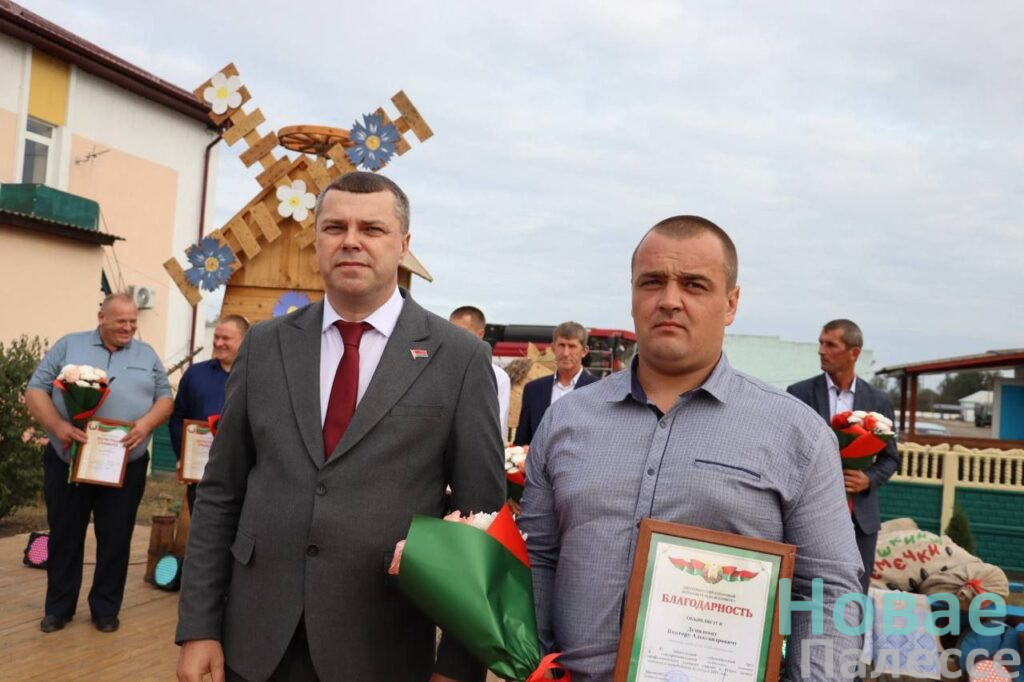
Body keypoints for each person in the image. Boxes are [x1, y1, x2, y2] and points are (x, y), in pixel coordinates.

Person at [175, 172, 505, 682]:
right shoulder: (264, 346)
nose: (351, 241)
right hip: (255, 642)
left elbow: (480, 520)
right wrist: (199, 626)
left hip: (383, 649)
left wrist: (459, 668)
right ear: (316, 242)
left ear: (404, 245)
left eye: (371, 228)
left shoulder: (459, 359)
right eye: (335, 227)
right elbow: (220, 492)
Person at [518, 216, 864, 680]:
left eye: (694, 285)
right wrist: (530, 665)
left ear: (731, 303)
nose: (669, 300)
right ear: (632, 294)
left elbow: (829, 593)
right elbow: (538, 560)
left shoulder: (797, 435)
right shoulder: (566, 421)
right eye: (652, 282)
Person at [24, 293, 173, 634]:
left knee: (116, 538)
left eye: (133, 321)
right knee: (65, 535)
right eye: (121, 321)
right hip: (68, 461)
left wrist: (145, 425)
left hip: (125, 465)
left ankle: (105, 610)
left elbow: (165, 398)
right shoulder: (69, 345)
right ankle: (58, 609)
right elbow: (35, 390)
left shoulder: (147, 354)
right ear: (101, 317)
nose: (129, 327)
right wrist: (58, 427)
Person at [787, 319, 901, 593]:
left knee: (854, 594)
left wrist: (868, 478)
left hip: (860, 520)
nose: (821, 351)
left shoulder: (878, 400)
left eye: (830, 345)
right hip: (809, 515)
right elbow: (787, 452)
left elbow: (891, 458)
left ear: (854, 353)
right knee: (803, 591)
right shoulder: (798, 394)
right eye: (820, 343)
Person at [169, 315, 249, 513]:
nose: (218, 343)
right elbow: (178, 416)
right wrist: (182, 456)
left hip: (243, 478)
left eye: (226, 338)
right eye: (216, 337)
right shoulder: (195, 374)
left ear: (244, 340)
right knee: (202, 528)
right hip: (200, 475)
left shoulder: (257, 376)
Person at [513, 321, 599, 446]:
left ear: (584, 351)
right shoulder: (533, 390)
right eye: (561, 345)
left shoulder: (599, 390)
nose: (565, 353)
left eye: (572, 346)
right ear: (553, 348)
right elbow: (522, 440)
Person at [449, 305, 511, 441]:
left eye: (462, 332)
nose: (454, 338)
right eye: (450, 332)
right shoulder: (438, 369)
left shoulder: (498, 377)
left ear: (480, 334)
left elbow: (498, 428)